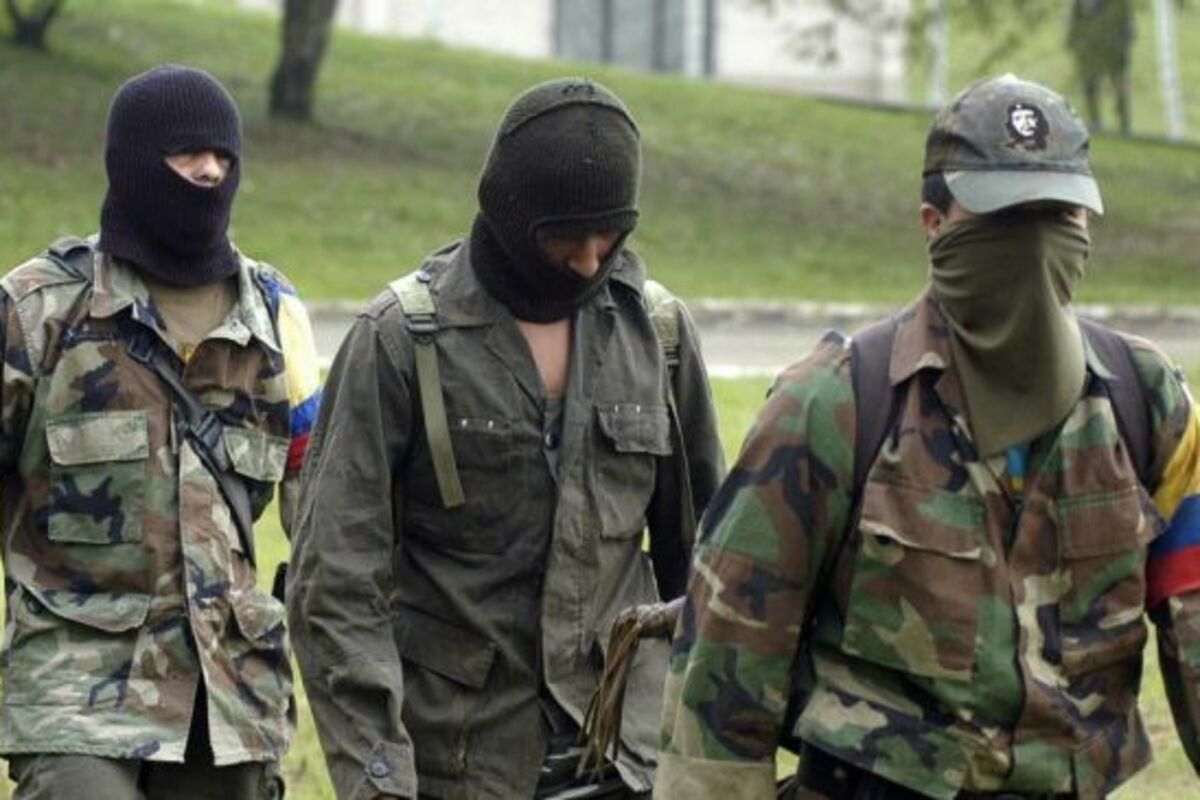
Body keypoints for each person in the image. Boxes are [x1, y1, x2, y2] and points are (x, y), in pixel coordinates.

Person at [657, 74, 1200, 799]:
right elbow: (726, 671)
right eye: (1004, 217)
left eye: (1058, 215)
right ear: (932, 222)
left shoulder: (1145, 402)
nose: (1033, 244)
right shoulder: (836, 404)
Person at [288, 77, 724, 799]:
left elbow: (708, 565)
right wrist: (378, 777)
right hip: (456, 764)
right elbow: (334, 583)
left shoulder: (660, 337)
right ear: (511, 214)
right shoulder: (401, 340)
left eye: (610, 235)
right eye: (564, 237)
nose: (590, 259)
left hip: (625, 760)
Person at [0, 64, 321, 799]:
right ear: (134, 162)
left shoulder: (275, 315)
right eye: (186, 153)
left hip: (230, 699)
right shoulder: (38, 310)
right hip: (76, 690)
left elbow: (325, 509)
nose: (209, 170)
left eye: (223, 156)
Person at [1068, 0, 1134, 135]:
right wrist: (1075, 43)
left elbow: (1127, 26)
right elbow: (1075, 22)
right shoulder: (1080, 4)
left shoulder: (1119, 5)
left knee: (1119, 89)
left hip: (1114, 52)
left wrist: (1123, 46)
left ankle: (1124, 125)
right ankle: (1095, 121)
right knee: (1090, 87)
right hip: (1090, 51)